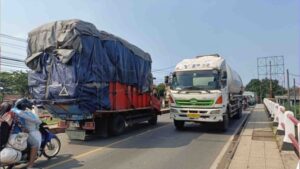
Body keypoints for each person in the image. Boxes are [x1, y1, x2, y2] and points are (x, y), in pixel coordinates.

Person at [12, 98, 42, 169]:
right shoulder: (21, 113)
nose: (26, 108)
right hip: (17, 134)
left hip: (9, 133)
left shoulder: (13, 110)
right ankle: (30, 166)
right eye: (25, 106)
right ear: (23, 106)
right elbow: (36, 120)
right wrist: (25, 130)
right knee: (35, 144)